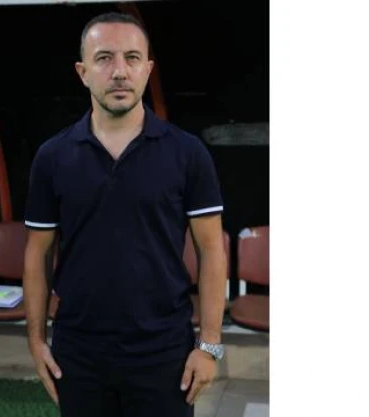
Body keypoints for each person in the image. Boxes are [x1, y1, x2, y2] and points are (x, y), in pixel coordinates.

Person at [22, 11, 228, 417]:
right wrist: (35, 340)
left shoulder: (187, 153)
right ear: (82, 72)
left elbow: (211, 251)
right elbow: (37, 253)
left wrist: (209, 344)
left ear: (147, 69)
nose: (119, 71)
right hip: (78, 352)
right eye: (104, 58)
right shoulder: (52, 157)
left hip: (164, 350)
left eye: (132, 58)